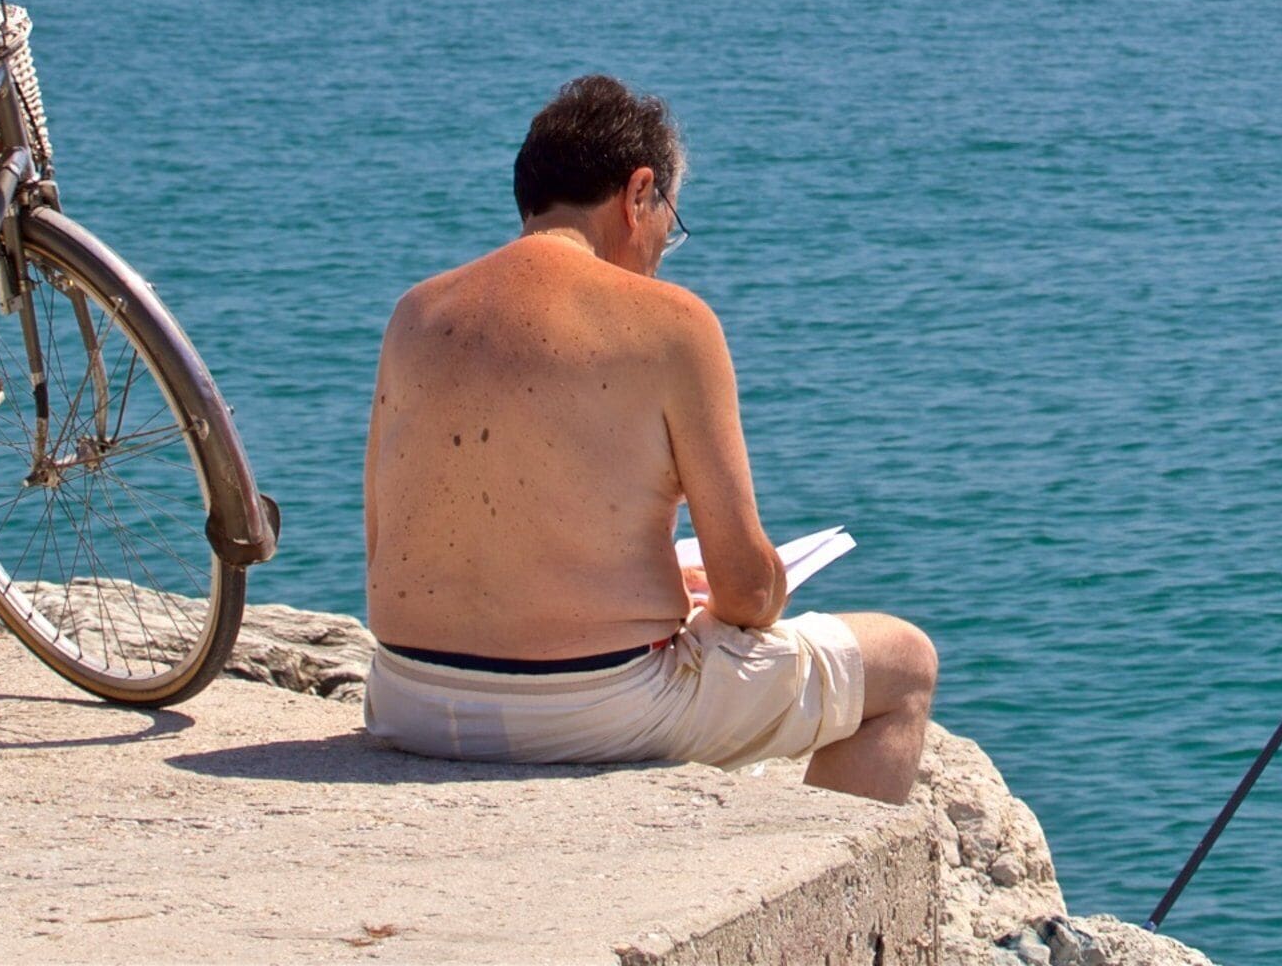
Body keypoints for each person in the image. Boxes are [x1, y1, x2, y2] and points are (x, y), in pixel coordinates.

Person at [360, 74, 939, 803]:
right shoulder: (671, 323)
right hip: (587, 710)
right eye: (671, 218)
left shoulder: (415, 313)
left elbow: (387, 542)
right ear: (639, 194)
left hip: (405, 697)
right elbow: (749, 590)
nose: (666, 244)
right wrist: (733, 594)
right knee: (905, 664)